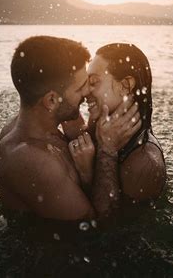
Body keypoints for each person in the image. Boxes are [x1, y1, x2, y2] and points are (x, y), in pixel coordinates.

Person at [0, 36, 140, 221]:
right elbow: (101, 226)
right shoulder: (32, 160)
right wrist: (107, 151)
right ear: (52, 100)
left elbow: (82, 133)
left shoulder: (43, 121)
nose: (88, 91)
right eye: (80, 88)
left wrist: (96, 121)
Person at [66, 43, 166, 217]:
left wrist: (105, 153)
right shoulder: (102, 121)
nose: (85, 91)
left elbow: (109, 226)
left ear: (125, 85)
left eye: (94, 82)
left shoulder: (144, 162)